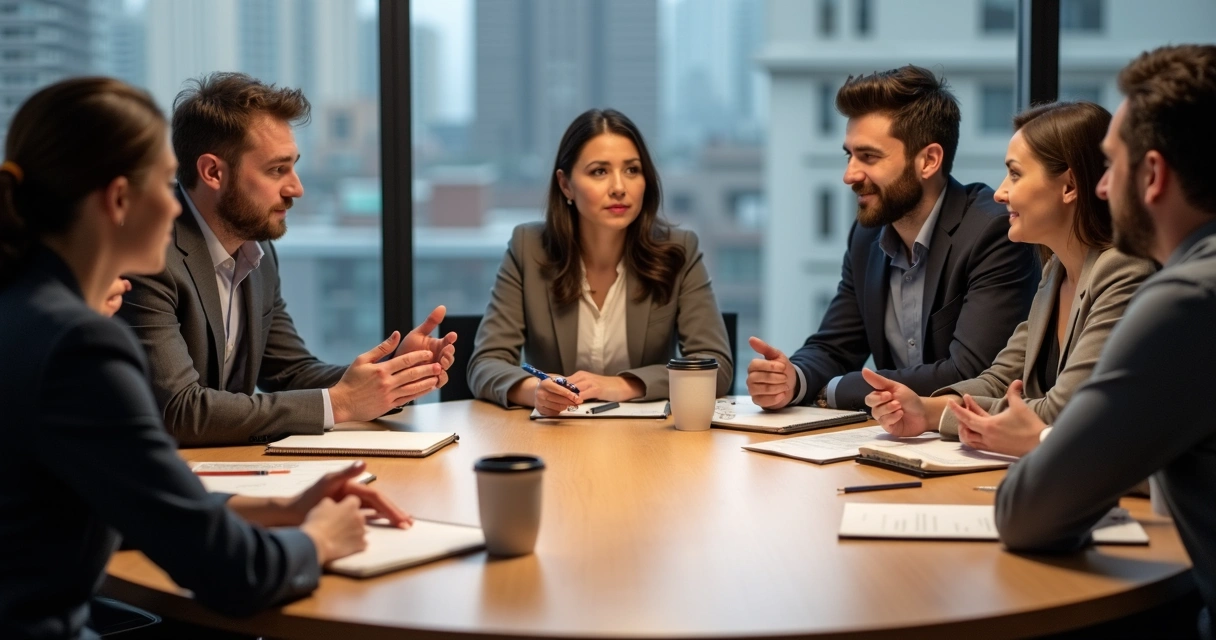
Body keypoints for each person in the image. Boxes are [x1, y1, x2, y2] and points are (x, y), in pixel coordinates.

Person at [0, 77, 410, 640]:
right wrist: (319, 539)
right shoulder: (80, 344)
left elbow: (136, 505)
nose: (175, 203)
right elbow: (232, 573)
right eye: (163, 184)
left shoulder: (24, 312)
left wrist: (283, 509)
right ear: (119, 200)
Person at [946, 45, 1216, 637]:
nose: (1101, 188)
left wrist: (1040, 437)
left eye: (1112, 166)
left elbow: (1028, 515)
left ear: (1153, 176)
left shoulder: (1186, 300)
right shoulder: (1064, 274)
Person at [118, 72, 456, 446]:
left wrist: (390, 377)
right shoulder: (148, 253)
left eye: (293, 166)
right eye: (277, 170)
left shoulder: (256, 250)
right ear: (213, 172)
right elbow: (180, 412)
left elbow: (291, 373)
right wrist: (339, 404)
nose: (296, 188)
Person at [862, 101, 1157, 456]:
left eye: (1015, 174)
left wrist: (938, 415)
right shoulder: (1055, 273)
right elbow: (999, 379)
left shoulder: (1123, 271)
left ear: (1068, 186)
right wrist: (922, 410)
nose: (1000, 192)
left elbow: (1060, 413)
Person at [746, 65, 1040, 412]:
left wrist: (835, 390)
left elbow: (969, 373)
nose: (849, 175)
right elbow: (835, 347)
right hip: (894, 440)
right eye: (849, 155)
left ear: (929, 160)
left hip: (972, 447)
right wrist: (792, 379)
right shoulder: (866, 236)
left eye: (868, 156)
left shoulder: (993, 234)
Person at [468, 109, 733, 415]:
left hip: (650, 442)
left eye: (632, 170)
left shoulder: (678, 249)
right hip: (556, 438)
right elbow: (485, 364)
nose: (619, 187)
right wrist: (536, 391)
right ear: (566, 185)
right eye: (599, 171)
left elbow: (717, 367)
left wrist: (621, 385)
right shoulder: (529, 248)